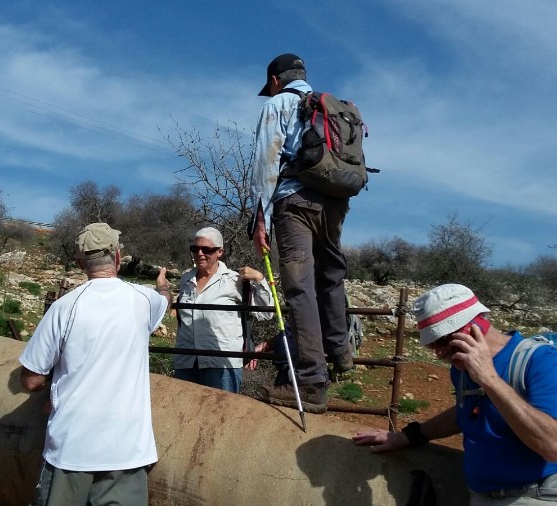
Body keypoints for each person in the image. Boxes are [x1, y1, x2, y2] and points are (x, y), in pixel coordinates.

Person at [353, 284, 557, 505]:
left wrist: (489, 379)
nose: (437, 353)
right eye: (431, 344)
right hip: (485, 496)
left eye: (444, 340)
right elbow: (466, 412)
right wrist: (406, 437)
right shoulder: (462, 369)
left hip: (542, 495)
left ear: (475, 326)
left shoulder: (540, 361)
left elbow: (553, 447)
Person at [19, 222, 171, 506]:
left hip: (71, 451)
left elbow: (30, 380)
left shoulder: (64, 307)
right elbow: (165, 300)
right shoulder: (144, 300)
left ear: (79, 263)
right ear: (117, 256)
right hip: (127, 452)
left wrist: (52, 385)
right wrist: (162, 286)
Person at [249, 53, 354, 414]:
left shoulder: (277, 105)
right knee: (330, 277)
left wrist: (259, 218)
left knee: (299, 288)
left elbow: (265, 165)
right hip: (335, 202)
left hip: (295, 201)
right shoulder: (330, 106)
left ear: (276, 80)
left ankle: (311, 382)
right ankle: (341, 354)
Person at [173, 227, 273, 393]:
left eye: (206, 249)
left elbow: (265, 313)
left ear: (219, 252)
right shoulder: (186, 279)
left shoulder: (234, 280)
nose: (199, 253)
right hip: (186, 361)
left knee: (221, 416)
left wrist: (259, 279)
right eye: (195, 249)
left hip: (221, 364)